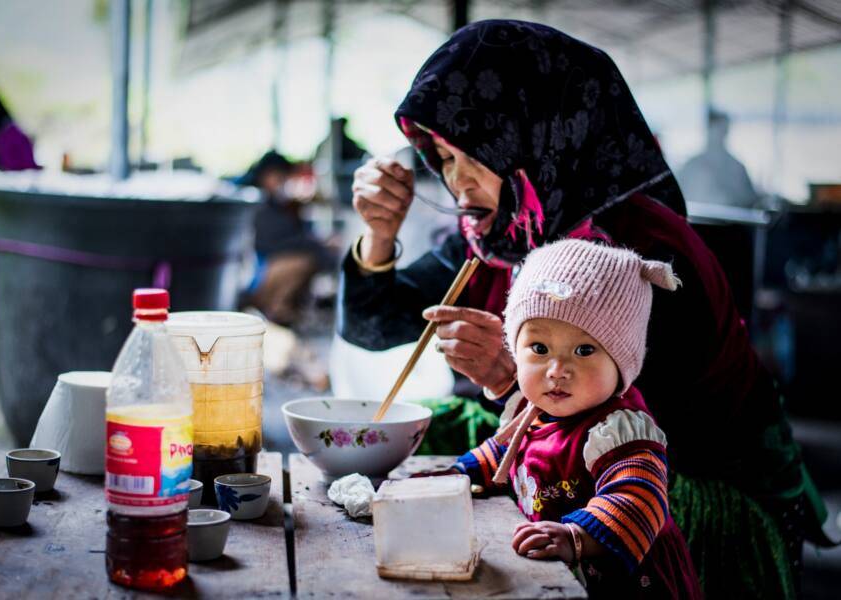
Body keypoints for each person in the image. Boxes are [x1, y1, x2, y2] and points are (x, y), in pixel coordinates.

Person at [340, 20, 830, 598]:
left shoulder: (639, 255)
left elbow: (632, 431)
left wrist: (507, 381)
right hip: (560, 436)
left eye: (474, 154)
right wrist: (377, 236)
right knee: (409, 429)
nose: (458, 182)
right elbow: (373, 328)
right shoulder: (499, 233)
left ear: (534, 134)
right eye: (444, 160)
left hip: (680, 477)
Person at [442, 239, 700, 598]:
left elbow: (640, 498)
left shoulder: (620, 431)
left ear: (622, 361)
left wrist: (576, 537)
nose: (557, 370)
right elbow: (502, 453)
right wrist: (456, 475)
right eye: (539, 349)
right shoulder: (532, 413)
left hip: (633, 583)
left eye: (584, 350)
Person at [240, 150, 332, 327]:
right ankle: (277, 313)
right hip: (257, 278)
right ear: (267, 175)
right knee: (302, 262)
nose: (283, 182)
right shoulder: (258, 205)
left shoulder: (280, 204)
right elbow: (280, 242)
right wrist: (322, 249)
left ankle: (290, 312)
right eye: (280, 176)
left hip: (264, 272)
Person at [677, 109, 760, 209]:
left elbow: (749, 201)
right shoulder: (691, 166)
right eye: (718, 129)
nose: (721, 134)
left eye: (724, 130)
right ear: (708, 130)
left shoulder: (737, 167)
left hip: (731, 222)